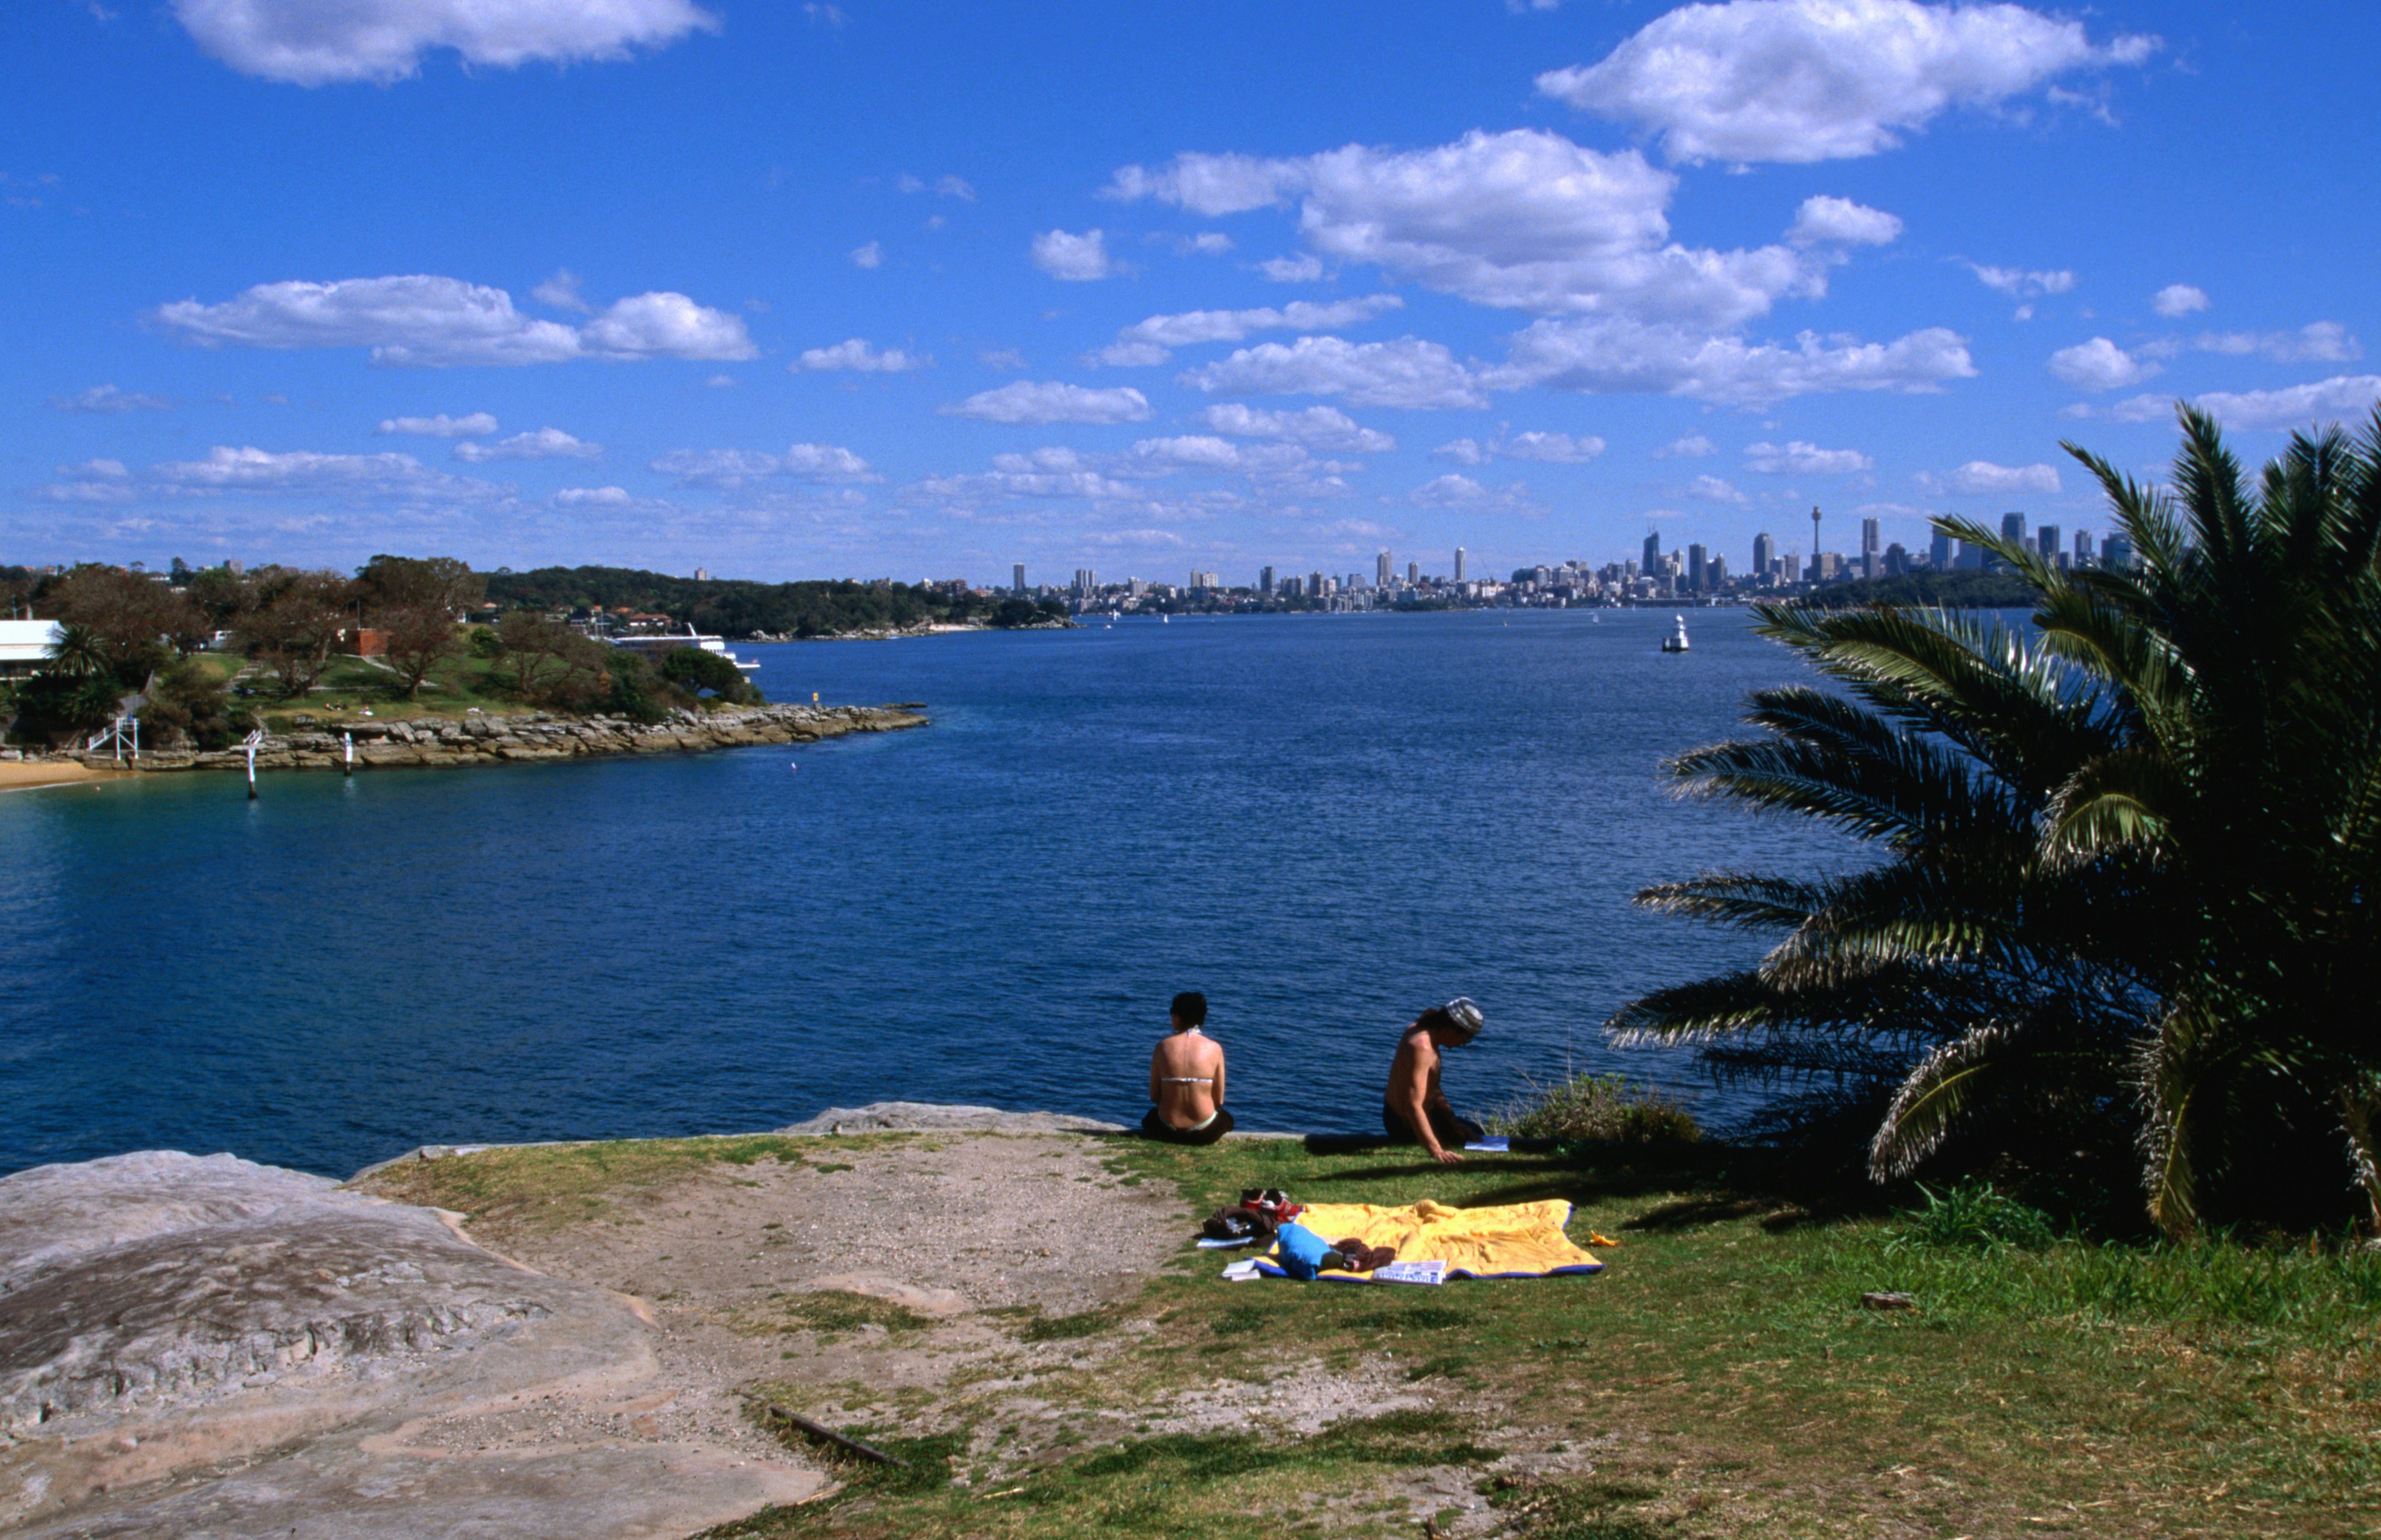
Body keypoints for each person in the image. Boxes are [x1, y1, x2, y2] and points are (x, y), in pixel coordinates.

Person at [1383, 998, 1485, 1164]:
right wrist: (1436, 1151)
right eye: (1466, 1039)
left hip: (1402, 1114)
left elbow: (1433, 1088)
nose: (1463, 1044)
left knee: (1473, 1131)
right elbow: (1413, 1106)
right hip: (1402, 1124)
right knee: (1472, 1136)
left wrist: (1454, 1125)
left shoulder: (1418, 1029)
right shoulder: (1422, 1048)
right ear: (1452, 1031)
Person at [1144, 991, 1232, 1145]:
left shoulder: (1162, 1047)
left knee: (1150, 1118)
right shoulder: (1215, 1049)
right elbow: (1218, 1101)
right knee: (1227, 1119)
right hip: (1204, 1132)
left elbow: (1154, 1096)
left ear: (1177, 1016)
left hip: (1166, 1129)